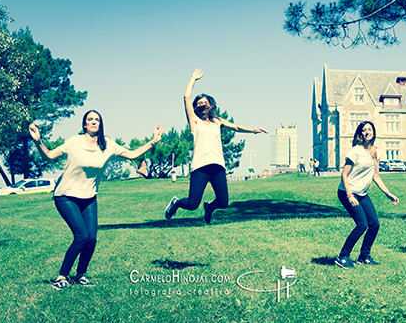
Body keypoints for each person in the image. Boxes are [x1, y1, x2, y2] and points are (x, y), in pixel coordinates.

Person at [29, 110, 163, 290]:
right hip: (66, 195)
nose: (94, 122)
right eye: (90, 119)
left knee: (91, 239)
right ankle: (62, 277)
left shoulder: (107, 144)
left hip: (89, 196)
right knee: (81, 236)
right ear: (84, 125)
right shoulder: (74, 142)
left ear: (100, 124)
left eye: (97, 119)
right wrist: (38, 141)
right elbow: (49, 155)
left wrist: (153, 141)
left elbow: (132, 154)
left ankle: (80, 275)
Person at [164, 68, 266, 224]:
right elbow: (186, 96)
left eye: (205, 102)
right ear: (196, 107)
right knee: (192, 204)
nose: (203, 105)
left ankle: (209, 208)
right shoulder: (194, 121)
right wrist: (193, 78)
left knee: (223, 202)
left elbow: (236, 127)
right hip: (200, 167)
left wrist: (253, 130)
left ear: (211, 105)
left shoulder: (217, 121)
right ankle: (175, 203)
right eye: (199, 103)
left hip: (218, 166)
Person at [334, 121, 399, 268]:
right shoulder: (355, 151)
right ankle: (342, 256)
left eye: (370, 129)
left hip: (362, 193)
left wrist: (388, 193)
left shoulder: (376, 152)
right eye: (364, 130)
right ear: (360, 134)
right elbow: (344, 175)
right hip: (347, 191)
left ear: (373, 132)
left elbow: (376, 176)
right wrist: (350, 196)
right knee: (362, 224)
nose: (367, 132)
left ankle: (364, 257)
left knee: (374, 224)